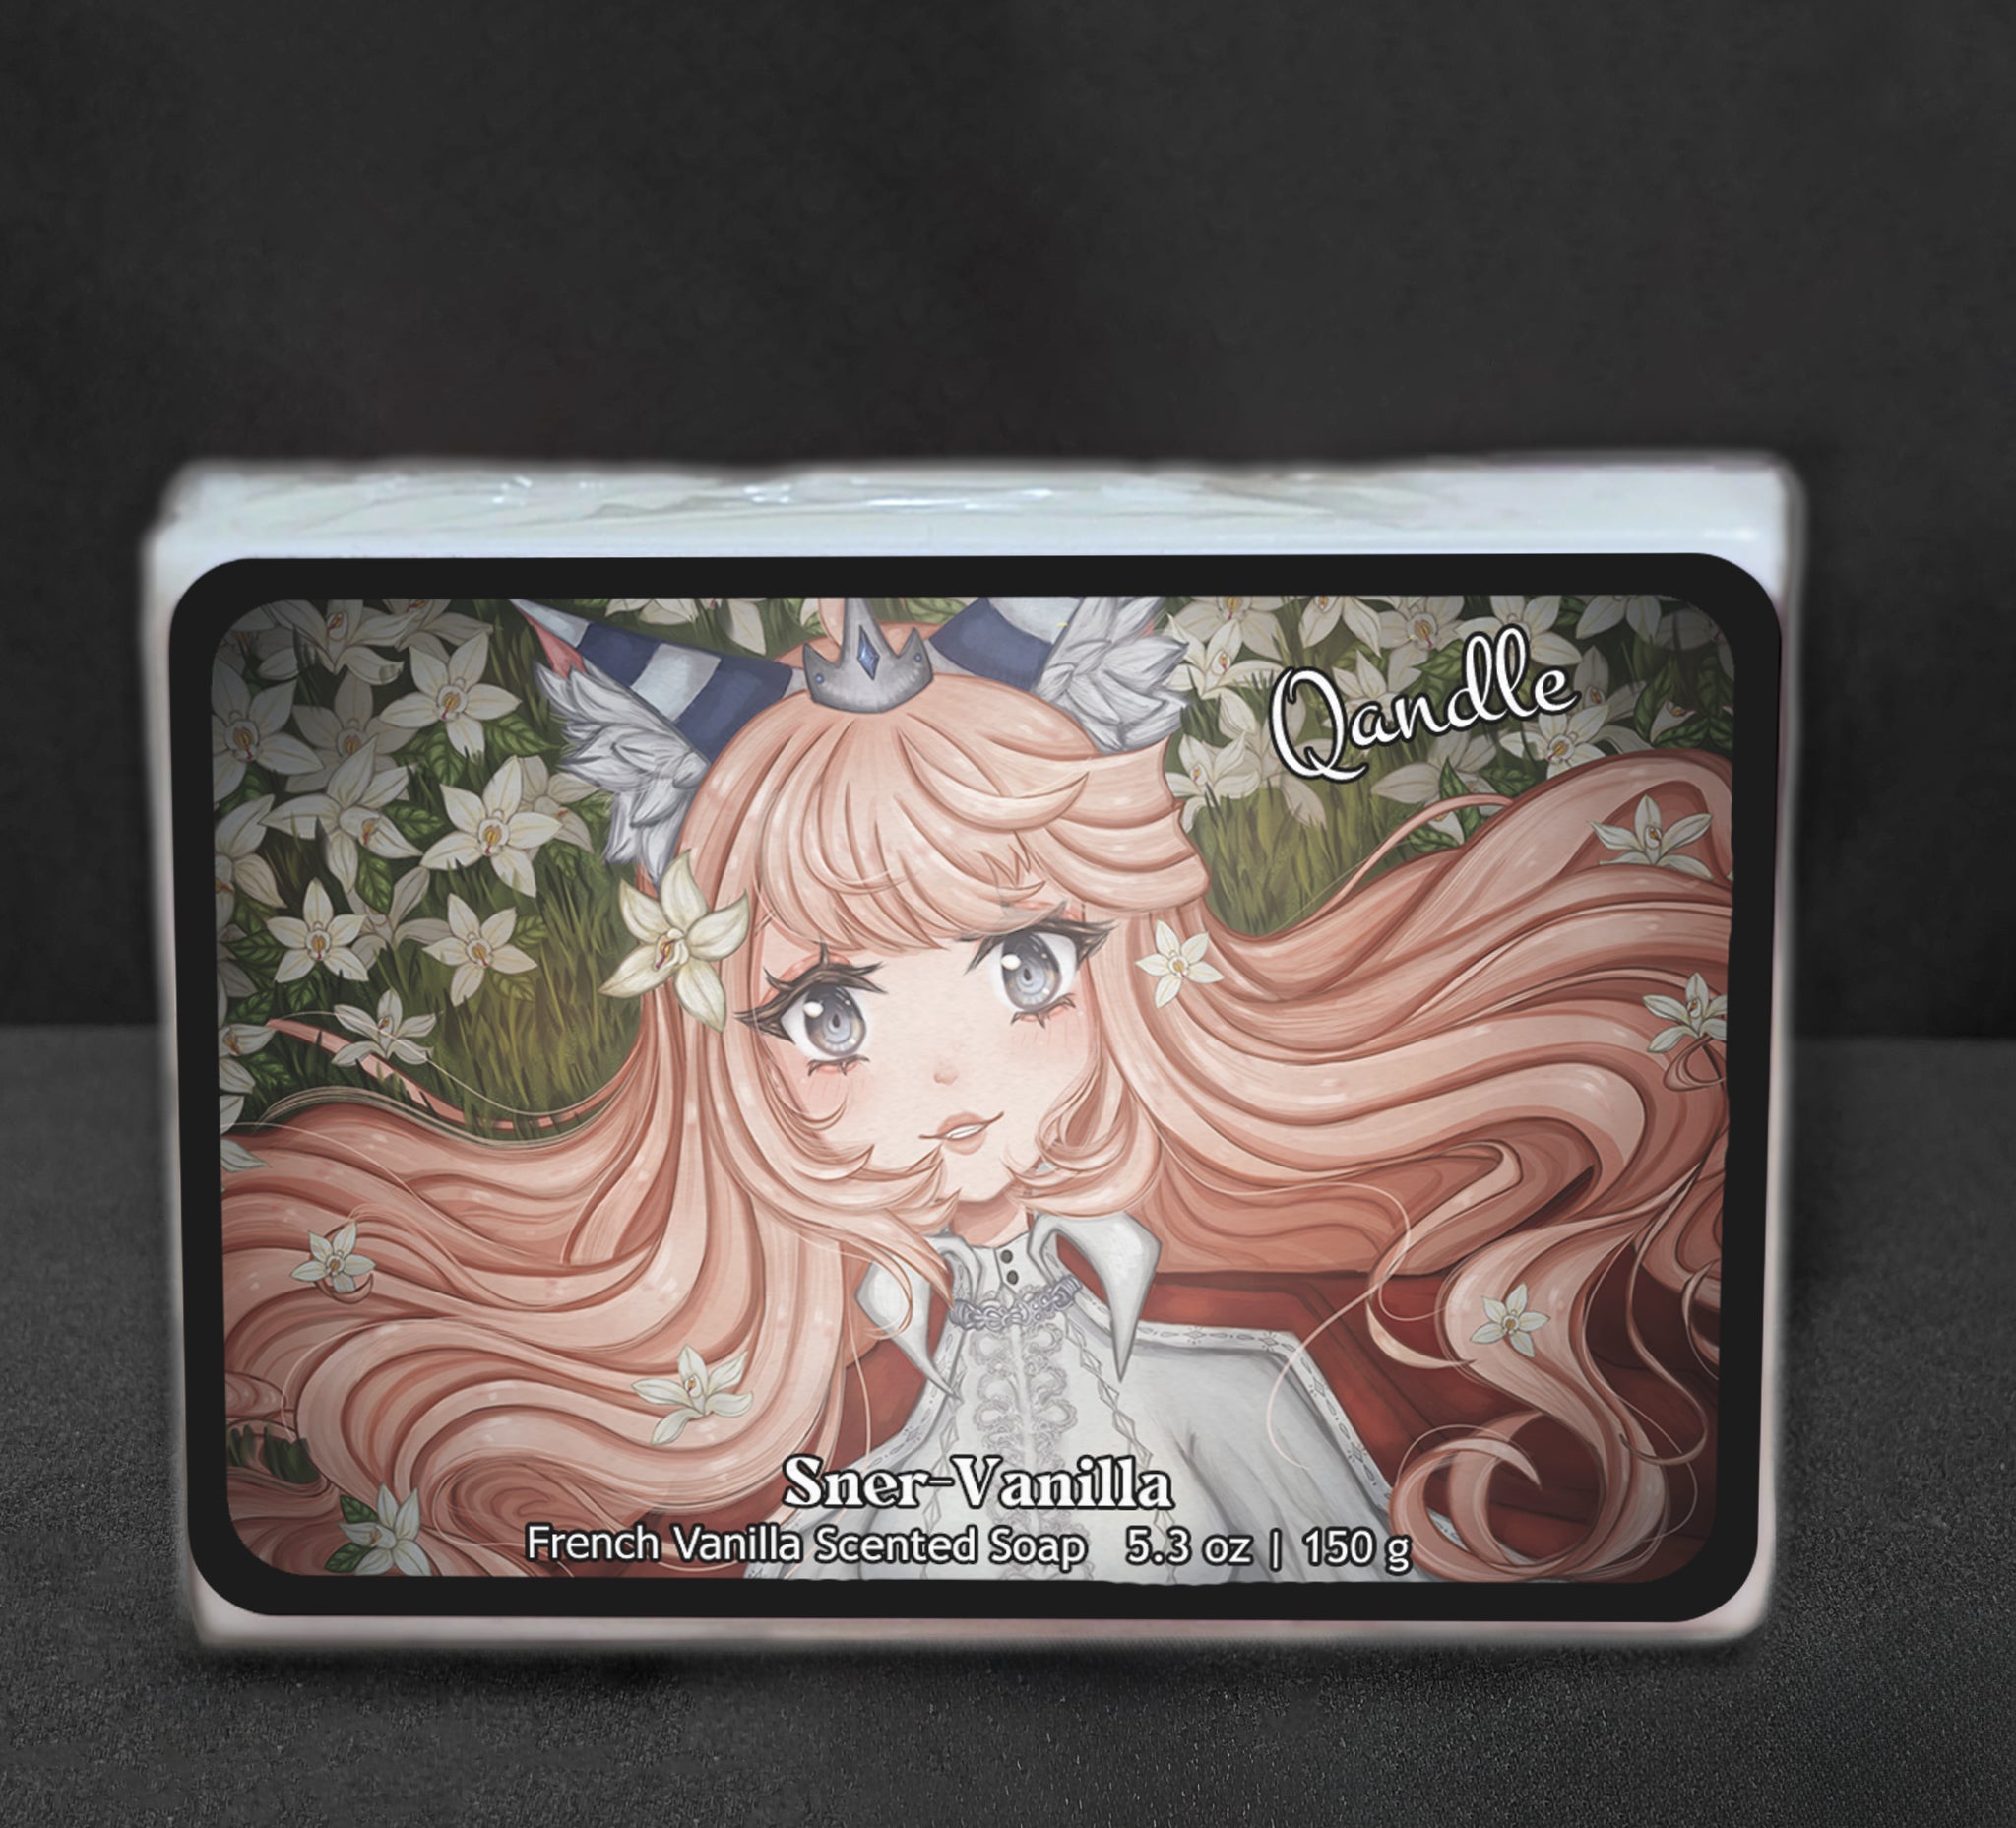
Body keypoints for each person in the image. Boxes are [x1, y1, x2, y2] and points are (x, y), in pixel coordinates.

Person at [222, 597, 1729, 1585]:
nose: (949, 1082)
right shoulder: (818, 1413)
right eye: (827, 1013)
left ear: (1125, 961)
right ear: (731, 1045)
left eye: (1025, 966)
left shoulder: (1248, 1364)